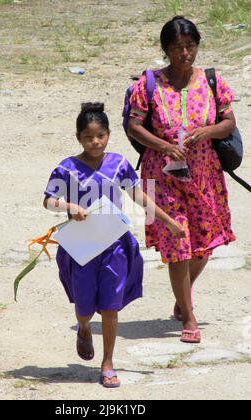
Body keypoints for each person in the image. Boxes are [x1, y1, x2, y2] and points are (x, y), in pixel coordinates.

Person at [43, 102, 185, 388]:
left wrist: (169, 222)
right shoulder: (66, 168)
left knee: (110, 307)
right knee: (84, 307)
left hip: (114, 247)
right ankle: (83, 326)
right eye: (88, 137)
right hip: (81, 249)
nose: (95, 142)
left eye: (100, 136)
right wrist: (68, 207)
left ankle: (108, 362)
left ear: (108, 134)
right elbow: (47, 200)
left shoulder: (119, 164)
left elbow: (140, 197)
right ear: (78, 138)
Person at [128, 16, 236, 344]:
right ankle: (189, 315)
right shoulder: (147, 84)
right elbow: (135, 126)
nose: (185, 53)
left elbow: (228, 123)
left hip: (205, 175)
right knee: (178, 245)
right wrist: (163, 146)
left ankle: (182, 295)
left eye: (190, 46)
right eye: (177, 47)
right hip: (161, 177)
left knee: (204, 244)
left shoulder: (213, 81)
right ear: (165, 50)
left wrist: (207, 130)